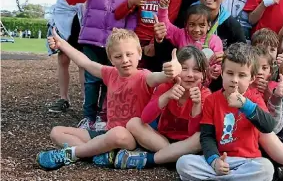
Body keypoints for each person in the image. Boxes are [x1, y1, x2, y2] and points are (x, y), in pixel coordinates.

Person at [36, 28, 182, 170]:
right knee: (57, 132)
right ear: (111, 59)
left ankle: (72, 154)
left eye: (129, 54)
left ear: (139, 54)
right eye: (118, 56)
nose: (125, 60)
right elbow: (85, 62)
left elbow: (162, 76)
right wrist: (62, 44)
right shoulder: (110, 73)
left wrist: (173, 69)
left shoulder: (145, 76)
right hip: (108, 133)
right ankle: (102, 154)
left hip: (130, 137)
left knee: (117, 133)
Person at [66, 0, 147, 130]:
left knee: (112, 79)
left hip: (117, 39)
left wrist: (131, 37)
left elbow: (136, 10)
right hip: (93, 35)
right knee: (92, 79)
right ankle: (88, 117)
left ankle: (105, 117)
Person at [176, 43, 275, 181]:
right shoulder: (212, 100)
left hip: (246, 162)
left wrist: (245, 105)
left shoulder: (254, 98)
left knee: (266, 168)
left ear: (251, 78)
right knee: (184, 163)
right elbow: (206, 136)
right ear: (222, 73)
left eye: (241, 75)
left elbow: (269, 126)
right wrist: (215, 161)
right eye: (230, 73)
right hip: (220, 160)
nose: (234, 80)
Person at [114, 46, 211, 169]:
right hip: (162, 140)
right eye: (184, 69)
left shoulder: (205, 94)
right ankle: (173, 157)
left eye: (196, 70)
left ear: (203, 75)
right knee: (134, 123)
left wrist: (197, 105)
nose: (190, 75)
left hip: (188, 143)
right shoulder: (166, 86)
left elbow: (193, 132)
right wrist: (166, 96)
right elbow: (145, 118)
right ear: (176, 71)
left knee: (200, 137)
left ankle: (151, 159)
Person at [157, 0, 223, 54]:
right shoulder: (181, 35)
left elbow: (218, 64)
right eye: (192, 24)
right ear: (186, 25)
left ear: (209, 25)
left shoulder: (214, 41)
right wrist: (163, 8)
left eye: (202, 25)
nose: (197, 30)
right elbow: (165, 26)